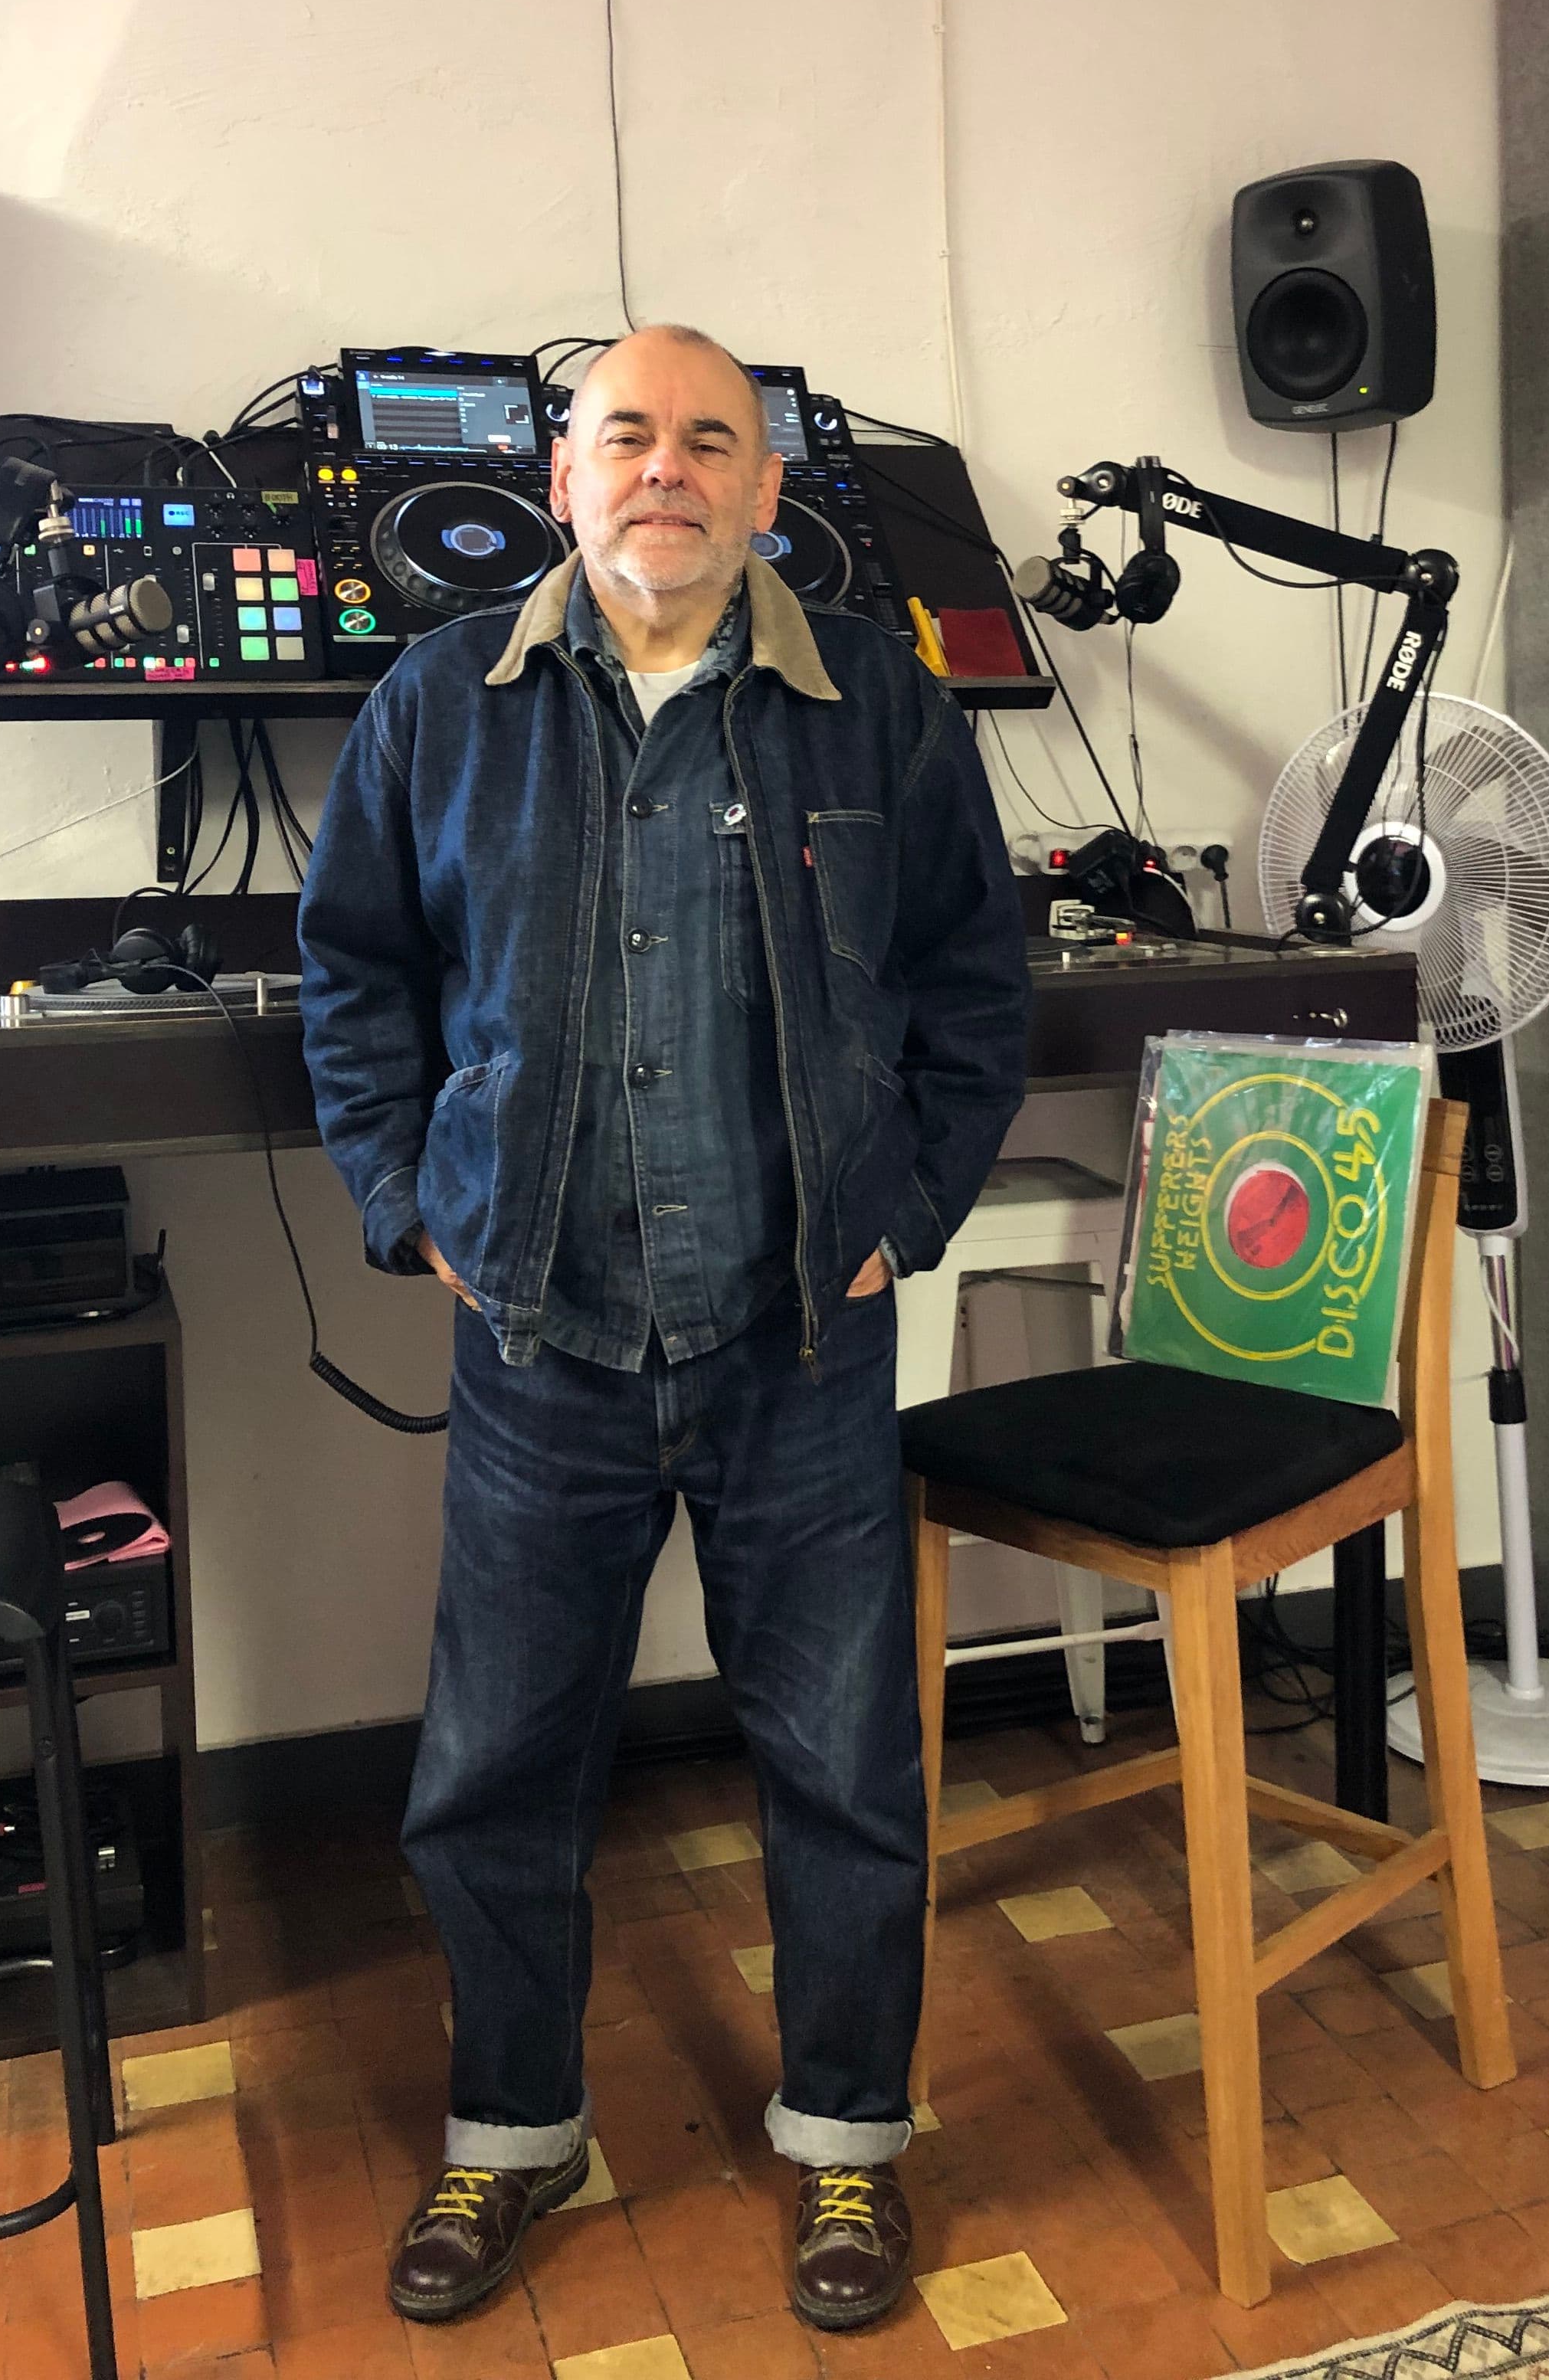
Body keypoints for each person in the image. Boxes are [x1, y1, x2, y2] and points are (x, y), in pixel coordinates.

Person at [296, 326, 1029, 2333]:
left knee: (845, 1771)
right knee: (494, 1767)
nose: (669, 469)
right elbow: (353, 977)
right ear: (564, 476)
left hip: (801, 1339)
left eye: (714, 440)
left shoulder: (875, 702)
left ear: (769, 491)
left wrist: (905, 1214)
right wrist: (407, 1203)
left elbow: (976, 982)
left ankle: (850, 2143)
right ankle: (512, 2131)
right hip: (545, 1335)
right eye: (629, 434)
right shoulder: (441, 703)